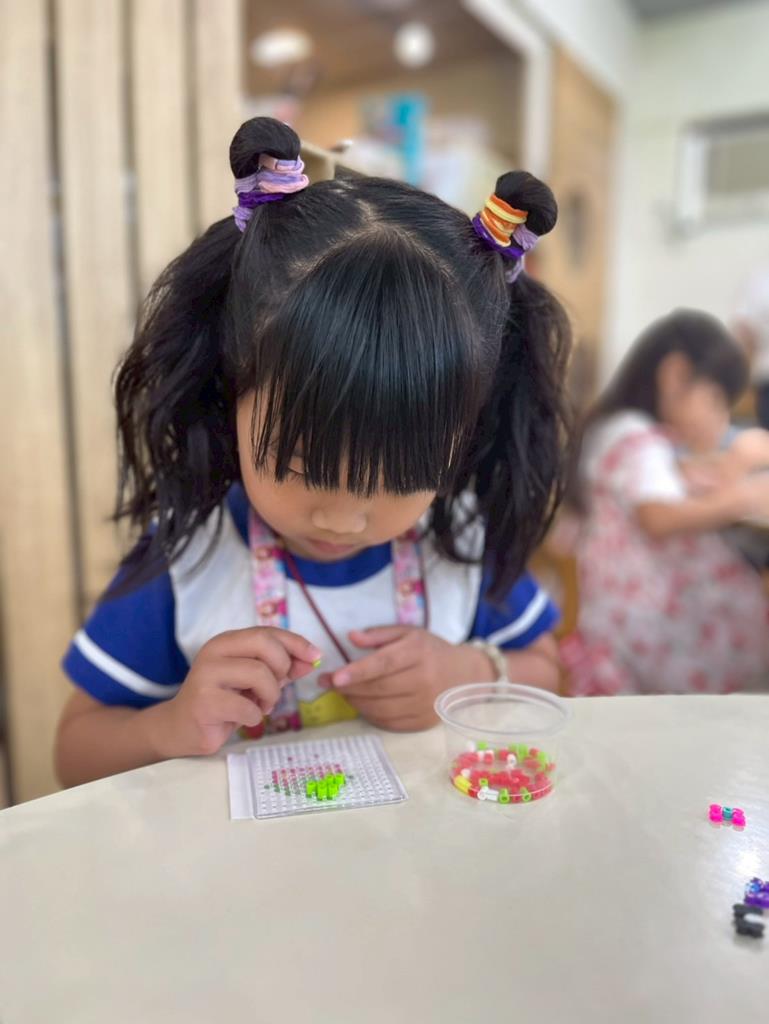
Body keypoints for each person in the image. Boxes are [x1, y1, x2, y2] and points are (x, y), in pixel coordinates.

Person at [56, 117, 571, 786]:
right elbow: (73, 752)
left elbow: (547, 669)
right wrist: (171, 724)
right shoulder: (189, 559)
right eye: (300, 466)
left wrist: (469, 672)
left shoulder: (459, 543)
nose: (341, 518)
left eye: (404, 475)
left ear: (462, 438)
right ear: (229, 390)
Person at [561, 309, 769, 696]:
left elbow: (655, 485)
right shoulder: (635, 437)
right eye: (717, 401)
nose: (721, 420)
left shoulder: (623, 431)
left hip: (622, 608)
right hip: (641, 618)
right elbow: (657, 517)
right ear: (675, 375)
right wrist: (742, 497)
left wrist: (704, 478)